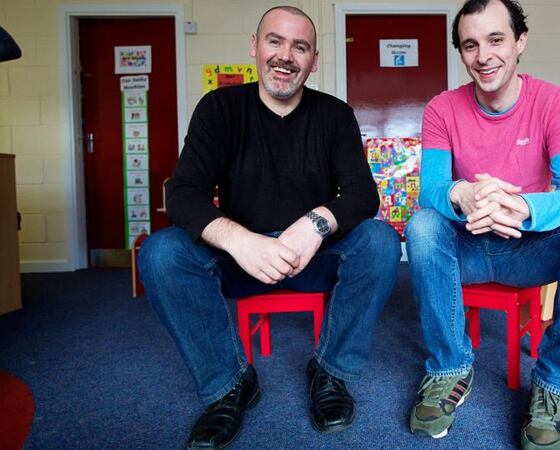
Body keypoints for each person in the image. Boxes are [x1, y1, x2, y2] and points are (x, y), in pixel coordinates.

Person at [138, 6, 401, 449]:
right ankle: (229, 384)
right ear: (254, 48)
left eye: (300, 46)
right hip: (240, 260)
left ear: (314, 60)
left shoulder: (334, 115)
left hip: (315, 258)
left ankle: (331, 372)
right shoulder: (219, 108)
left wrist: (314, 225)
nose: (286, 55)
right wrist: (239, 240)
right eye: (275, 41)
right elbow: (183, 193)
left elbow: (362, 194)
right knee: (161, 253)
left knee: (380, 240)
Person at [404, 1, 560, 449]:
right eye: (470, 45)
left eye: (496, 39)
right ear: (461, 54)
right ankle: (449, 368)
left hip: (530, 249)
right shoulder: (442, 108)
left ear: (520, 41)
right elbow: (430, 191)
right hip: (464, 249)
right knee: (423, 224)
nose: (483, 55)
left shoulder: (553, 101)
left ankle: (554, 384)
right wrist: (461, 194)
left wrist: (521, 206)